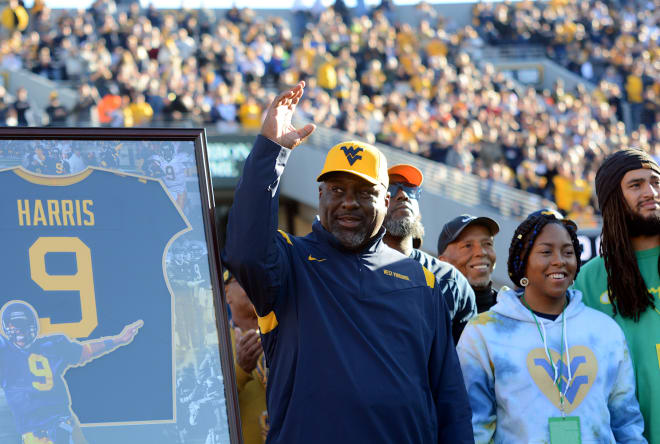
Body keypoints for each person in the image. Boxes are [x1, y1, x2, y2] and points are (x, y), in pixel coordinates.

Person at [223, 81, 473, 444]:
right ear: (320, 195)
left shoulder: (423, 282)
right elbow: (244, 248)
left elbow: (449, 399)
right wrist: (270, 152)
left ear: (386, 202)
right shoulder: (289, 264)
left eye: (364, 192)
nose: (349, 203)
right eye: (337, 190)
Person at [458, 212, 646, 443]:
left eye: (568, 252)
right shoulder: (483, 332)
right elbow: (474, 426)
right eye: (546, 252)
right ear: (522, 262)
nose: (559, 260)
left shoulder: (605, 331)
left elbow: (626, 422)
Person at [573, 148, 660, 443]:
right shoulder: (592, 278)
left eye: (655, 182)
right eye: (635, 185)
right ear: (613, 200)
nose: (650, 192)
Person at [0, 300, 143, 444]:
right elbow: (87, 351)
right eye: (16, 327)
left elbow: (84, 352)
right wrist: (117, 340)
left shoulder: (16, 351)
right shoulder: (52, 345)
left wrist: (117, 340)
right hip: (49, 431)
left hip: (61, 426)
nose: (20, 333)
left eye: (22, 327)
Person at [383, 164, 476, 344]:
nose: (403, 195)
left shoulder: (451, 281)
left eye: (411, 190)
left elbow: (467, 363)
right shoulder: (355, 271)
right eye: (391, 189)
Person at [225, 270, 268, 444]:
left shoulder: (286, 333)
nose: (254, 285)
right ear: (227, 294)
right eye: (244, 279)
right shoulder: (216, 345)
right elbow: (207, 406)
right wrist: (241, 369)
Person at [438, 214, 500, 317]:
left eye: (487, 244)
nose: (481, 252)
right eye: (468, 246)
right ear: (443, 262)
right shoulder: (434, 313)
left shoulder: (513, 310)